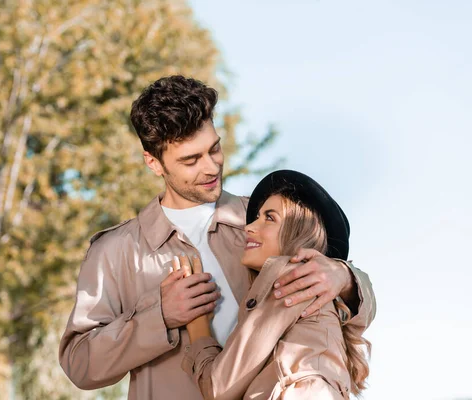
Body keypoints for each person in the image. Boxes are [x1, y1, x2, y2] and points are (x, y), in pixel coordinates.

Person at [59, 75, 376, 400]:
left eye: (214, 149)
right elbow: (79, 364)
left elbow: (337, 307)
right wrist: (160, 316)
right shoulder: (114, 251)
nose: (211, 167)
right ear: (154, 163)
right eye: (191, 160)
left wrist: (345, 277)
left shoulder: (263, 222)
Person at [178, 169, 371, 399]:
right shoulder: (320, 296)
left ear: (298, 233)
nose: (249, 227)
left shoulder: (290, 279)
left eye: (269, 218)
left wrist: (198, 328)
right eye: (257, 217)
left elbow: (220, 386)